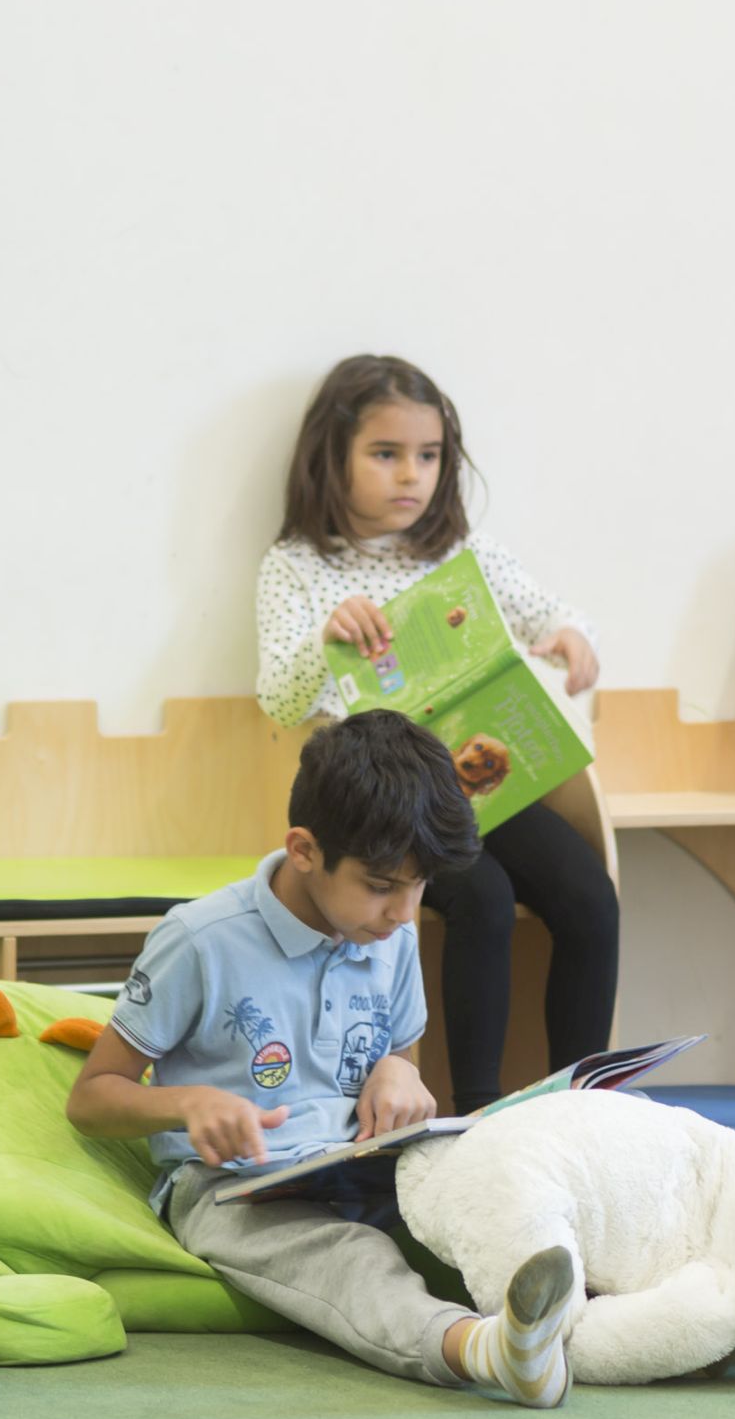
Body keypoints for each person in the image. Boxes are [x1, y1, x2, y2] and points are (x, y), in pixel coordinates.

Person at [63, 710, 580, 1406]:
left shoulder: (387, 934)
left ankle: (627, 1316)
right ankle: (481, 1352)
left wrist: (402, 1071)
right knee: (349, 1259)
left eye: (419, 886)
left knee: (504, 1192)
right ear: (304, 850)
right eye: (381, 885)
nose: (403, 912)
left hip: (368, 1166)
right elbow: (93, 1096)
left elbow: (399, 1049)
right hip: (243, 1188)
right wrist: (187, 1103)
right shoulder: (199, 940)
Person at [254, 353, 618, 1114]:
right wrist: (326, 636)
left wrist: (571, 639)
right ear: (333, 457)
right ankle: (478, 1110)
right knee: (481, 897)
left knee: (589, 892)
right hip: (385, 806)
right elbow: (281, 703)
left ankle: (589, 1104)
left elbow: (555, 612)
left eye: (427, 456)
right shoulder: (297, 568)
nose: (410, 475)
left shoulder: (462, 552)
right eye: (385, 455)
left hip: (482, 783)